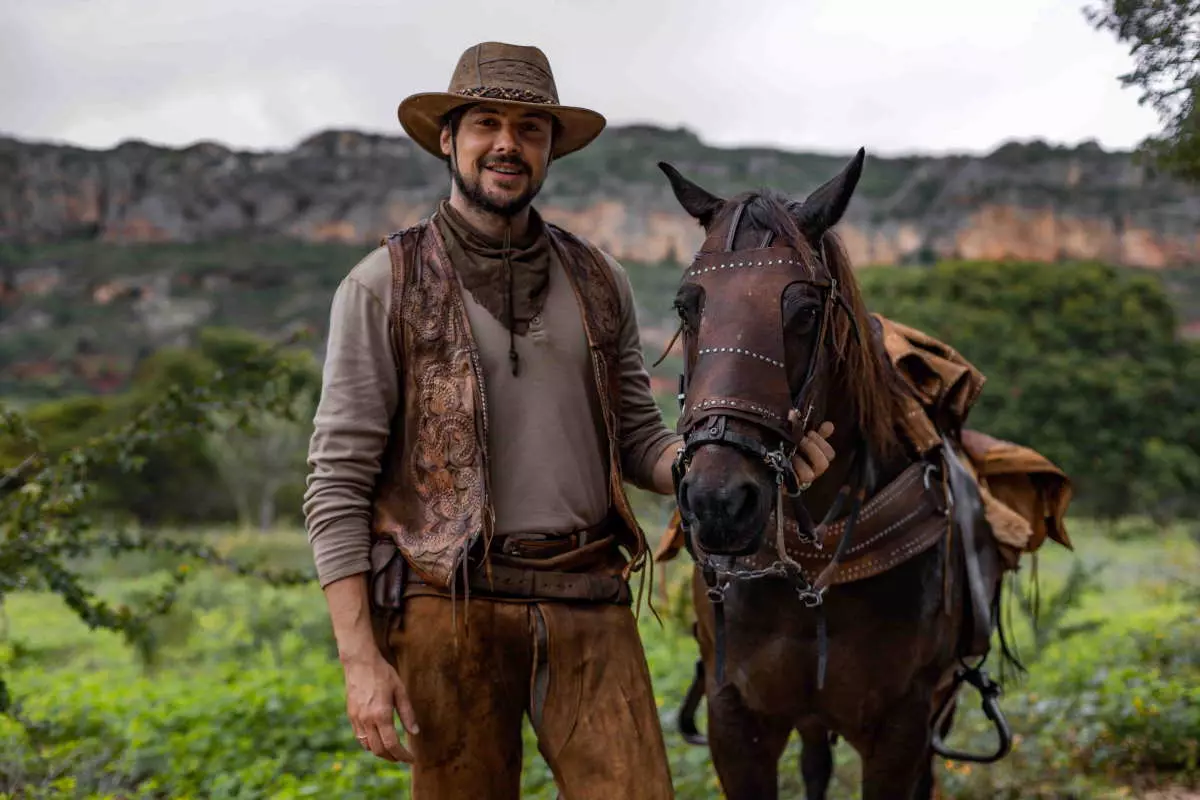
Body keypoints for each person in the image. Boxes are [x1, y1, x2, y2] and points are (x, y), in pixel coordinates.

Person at [302, 41, 838, 799]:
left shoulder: (597, 278)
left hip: (587, 595)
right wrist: (360, 658)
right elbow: (337, 484)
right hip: (446, 607)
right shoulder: (379, 286)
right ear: (448, 139)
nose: (507, 145)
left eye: (530, 128)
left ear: (551, 149)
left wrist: (730, 460)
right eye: (486, 123)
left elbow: (637, 439)